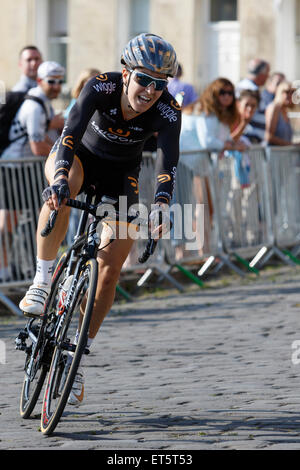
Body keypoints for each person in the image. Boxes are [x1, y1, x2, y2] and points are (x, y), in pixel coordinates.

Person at [19, 33, 181, 406]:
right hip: (77, 159)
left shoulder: (169, 110)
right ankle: (42, 281)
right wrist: (58, 178)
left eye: (160, 83)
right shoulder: (101, 86)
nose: (151, 90)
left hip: (121, 176)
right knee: (66, 190)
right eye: (144, 79)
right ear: (126, 74)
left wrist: (161, 205)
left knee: (110, 268)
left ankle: (77, 354)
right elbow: (69, 132)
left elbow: (167, 164)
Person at [0, 61, 65, 281]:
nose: (56, 86)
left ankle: (26, 269)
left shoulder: (44, 101)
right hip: (14, 168)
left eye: (59, 81)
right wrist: (64, 158)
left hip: (25, 167)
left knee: (35, 219)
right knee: (10, 221)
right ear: (39, 81)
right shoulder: (35, 106)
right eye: (51, 81)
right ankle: (4, 271)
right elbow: (38, 147)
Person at [236, 58, 270, 144]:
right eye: (267, 73)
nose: (268, 76)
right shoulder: (248, 88)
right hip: (247, 138)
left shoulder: (252, 87)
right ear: (261, 74)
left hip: (253, 140)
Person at [265, 81, 295, 146]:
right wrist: (291, 145)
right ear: (279, 92)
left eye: (292, 92)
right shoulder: (274, 108)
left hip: (285, 154)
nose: (290, 95)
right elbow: (268, 137)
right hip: (273, 153)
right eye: (286, 91)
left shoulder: (285, 111)